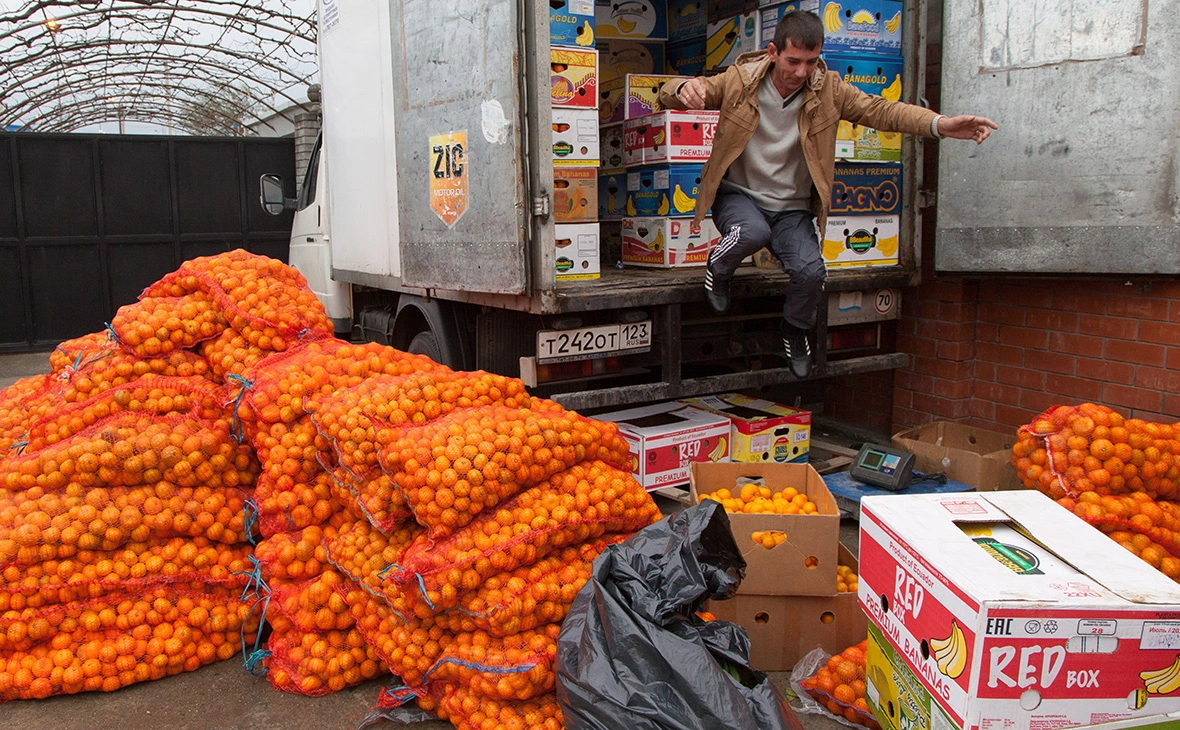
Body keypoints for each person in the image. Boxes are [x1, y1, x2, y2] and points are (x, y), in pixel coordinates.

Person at [659, 10, 996, 378]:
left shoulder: (830, 90)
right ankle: (719, 267)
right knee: (752, 232)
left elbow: (882, 111)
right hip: (740, 196)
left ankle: (793, 330)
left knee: (811, 272)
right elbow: (678, 93)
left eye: (811, 61)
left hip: (792, 208)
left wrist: (941, 125)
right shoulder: (741, 80)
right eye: (793, 61)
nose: (801, 71)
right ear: (772, 52)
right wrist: (682, 89)